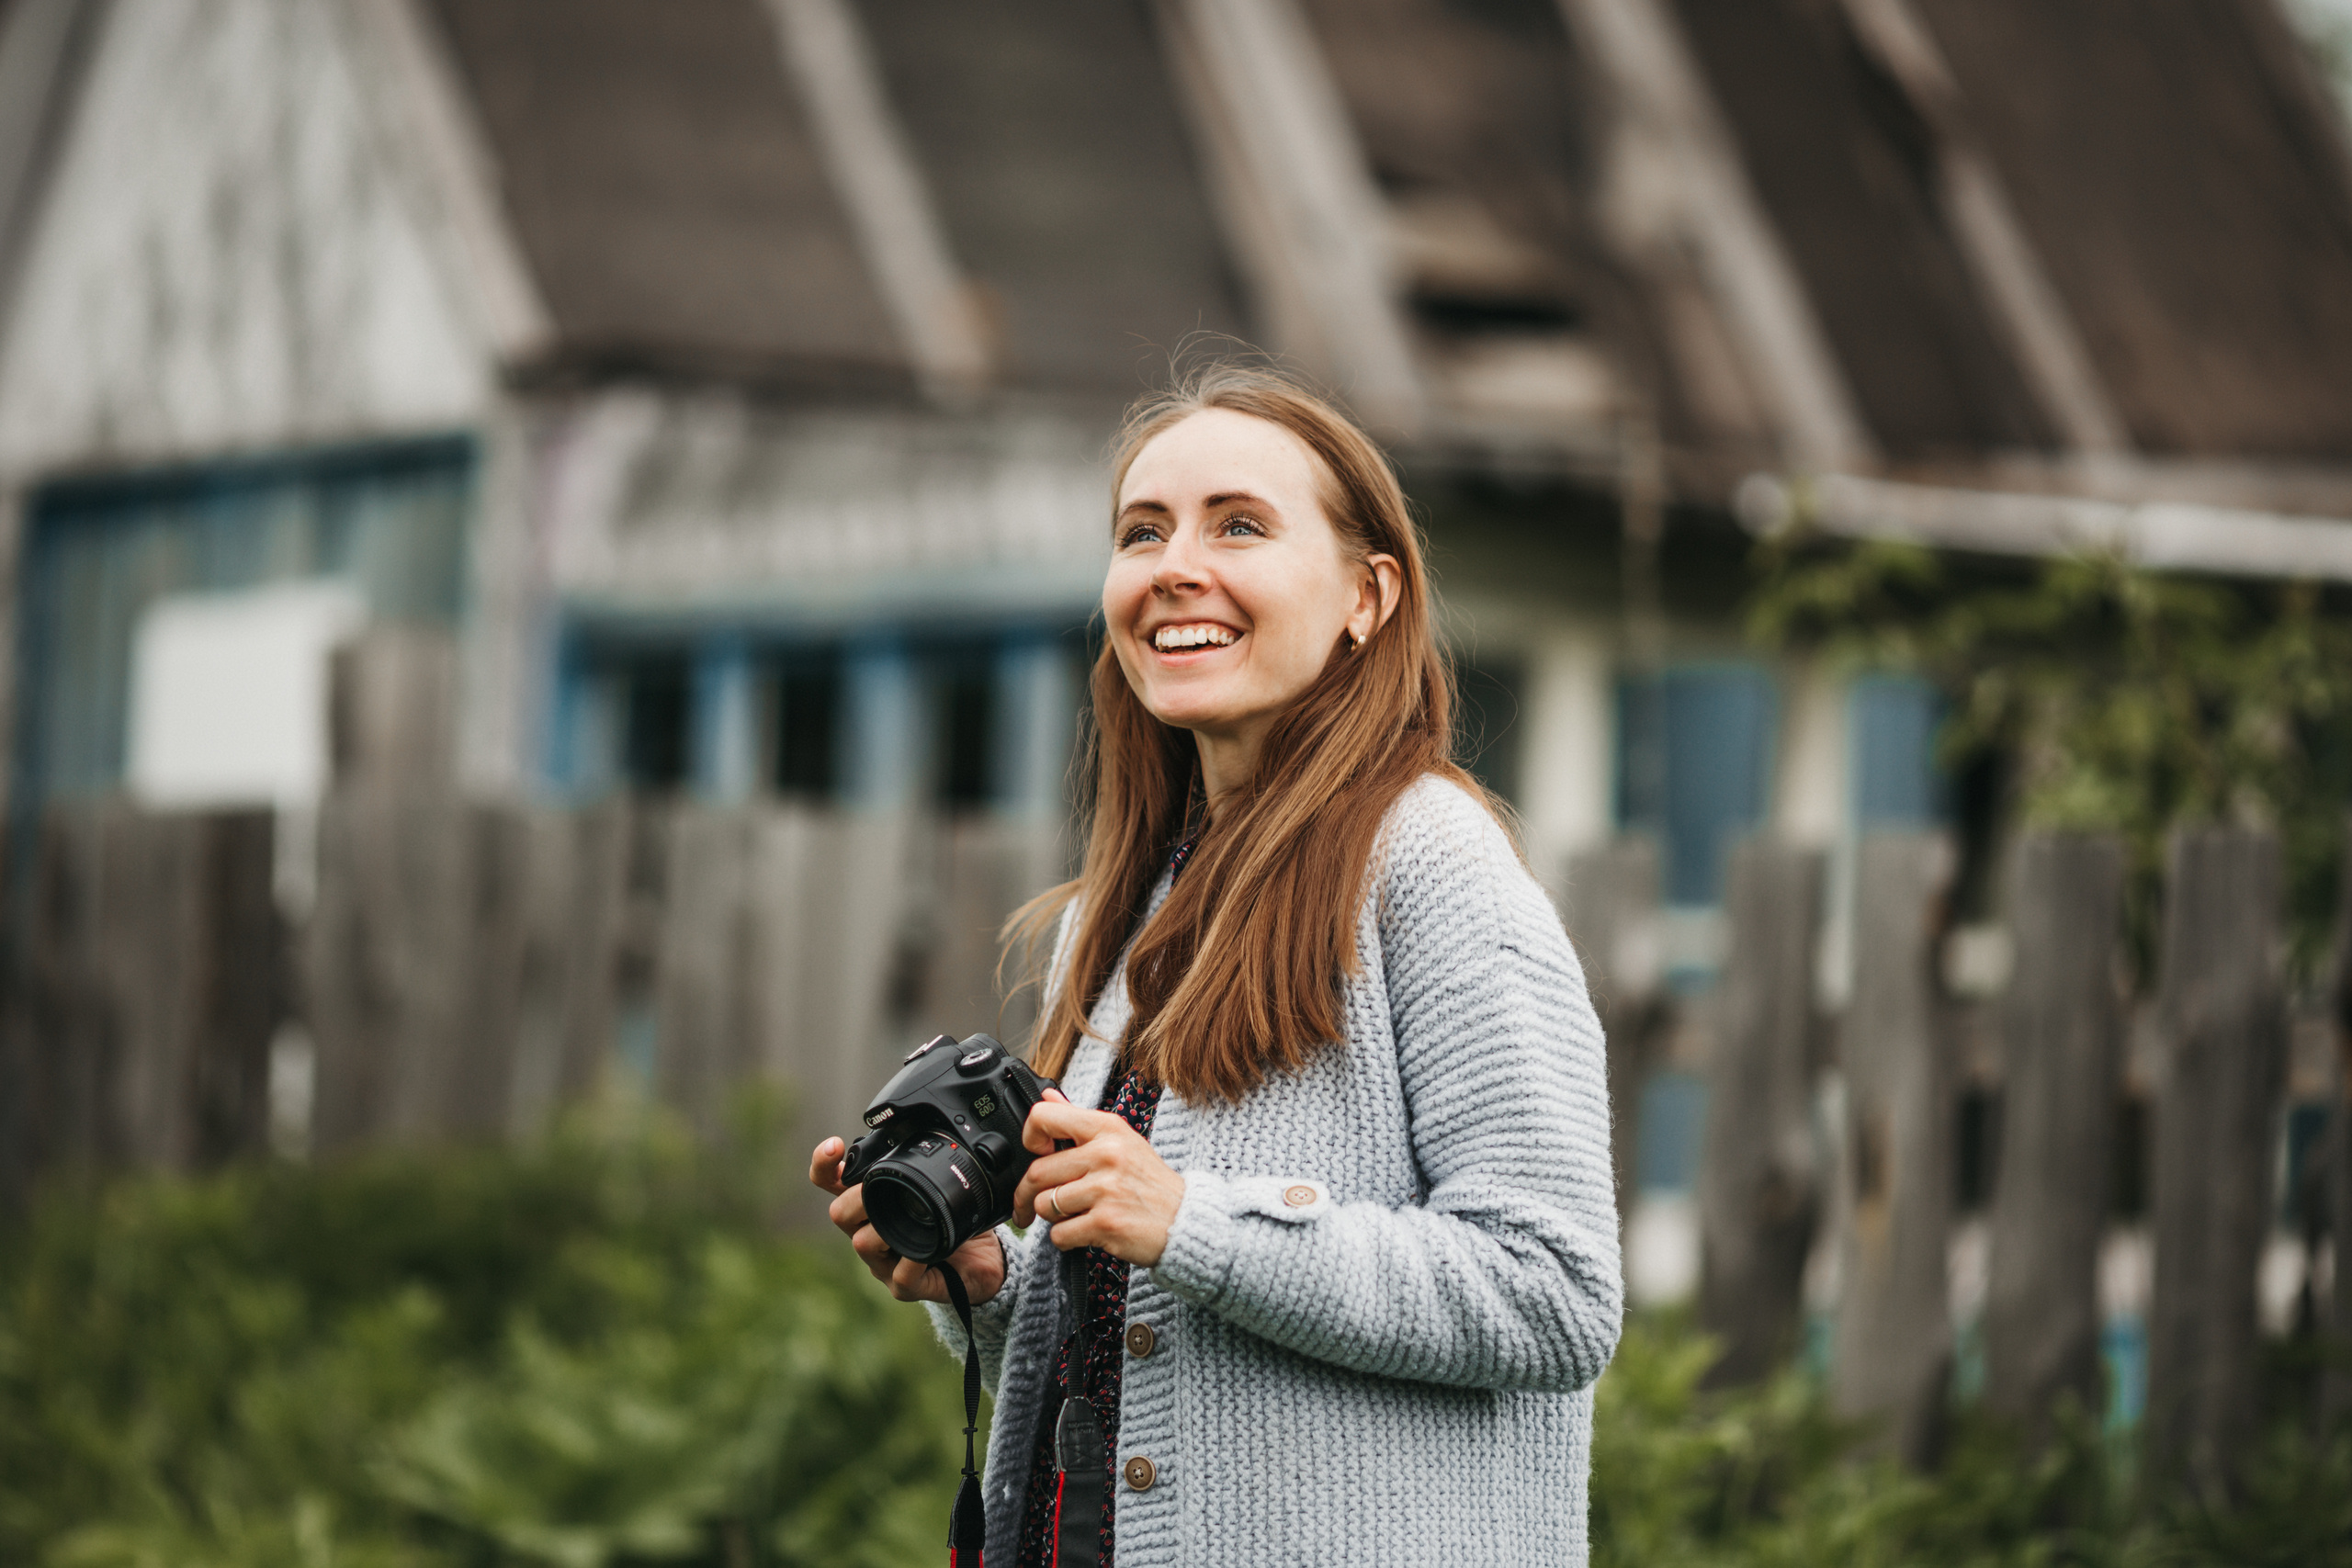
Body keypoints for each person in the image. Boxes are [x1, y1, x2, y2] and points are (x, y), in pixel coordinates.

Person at [809, 365, 1620, 1567]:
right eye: (1144, 532)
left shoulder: (1430, 861)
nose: (1174, 565)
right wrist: (992, 1286)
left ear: (1367, 595)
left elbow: (1554, 1291)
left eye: (1239, 524)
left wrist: (1191, 1221)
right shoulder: (1131, 908)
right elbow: (1147, 1349)